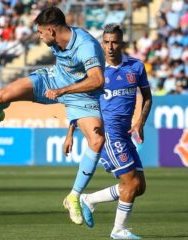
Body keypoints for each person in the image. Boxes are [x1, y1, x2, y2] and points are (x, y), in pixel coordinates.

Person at [0, 6, 105, 225]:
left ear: (51, 30)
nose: (39, 36)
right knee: (1, 96)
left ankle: (74, 196)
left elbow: (98, 80)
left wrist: (63, 91)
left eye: (40, 32)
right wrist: (70, 126)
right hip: (52, 81)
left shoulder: (86, 46)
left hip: (82, 97)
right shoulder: (57, 40)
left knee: (97, 140)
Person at [63, 24, 152, 239]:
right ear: (102, 43)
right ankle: (118, 231)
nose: (110, 47)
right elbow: (79, 103)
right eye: (106, 42)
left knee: (139, 187)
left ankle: (88, 200)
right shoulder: (95, 72)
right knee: (132, 182)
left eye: (115, 42)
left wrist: (140, 121)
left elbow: (147, 97)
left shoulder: (136, 67)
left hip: (125, 134)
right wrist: (70, 131)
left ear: (122, 43)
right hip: (108, 133)